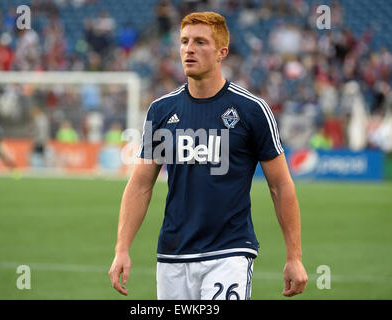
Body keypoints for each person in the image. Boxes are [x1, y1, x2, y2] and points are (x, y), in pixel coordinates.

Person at [109, 11, 308, 300]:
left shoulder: (252, 110)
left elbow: (280, 185)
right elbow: (140, 184)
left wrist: (295, 256)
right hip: (173, 256)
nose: (189, 49)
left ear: (221, 53)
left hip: (229, 253)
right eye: (184, 41)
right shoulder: (161, 111)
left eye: (200, 42)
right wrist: (122, 249)